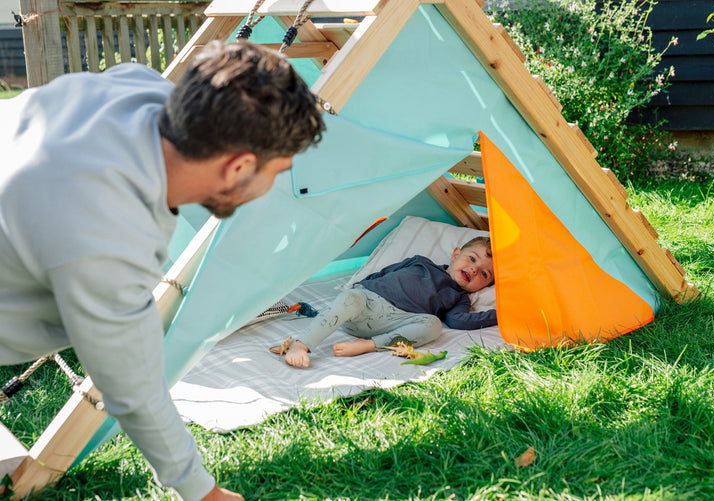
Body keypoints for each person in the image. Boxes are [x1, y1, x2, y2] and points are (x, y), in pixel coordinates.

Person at [0, 41, 324, 501]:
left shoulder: (141, 89)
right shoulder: (103, 230)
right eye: (277, 172)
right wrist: (204, 492)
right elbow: (133, 389)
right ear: (239, 166)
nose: (272, 188)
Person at [284, 237, 497, 368]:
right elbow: (386, 272)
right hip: (367, 303)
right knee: (350, 297)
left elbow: (459, 321)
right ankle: (301, 345)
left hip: (396, 323)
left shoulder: (459, 298)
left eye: (485, 274)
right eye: (472, 259)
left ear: (485, 286)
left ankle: (369, 345)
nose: (474, 269)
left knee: (433, 326)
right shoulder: (421, 262)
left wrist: (500, 314)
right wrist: (362, 285)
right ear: (455, 254)